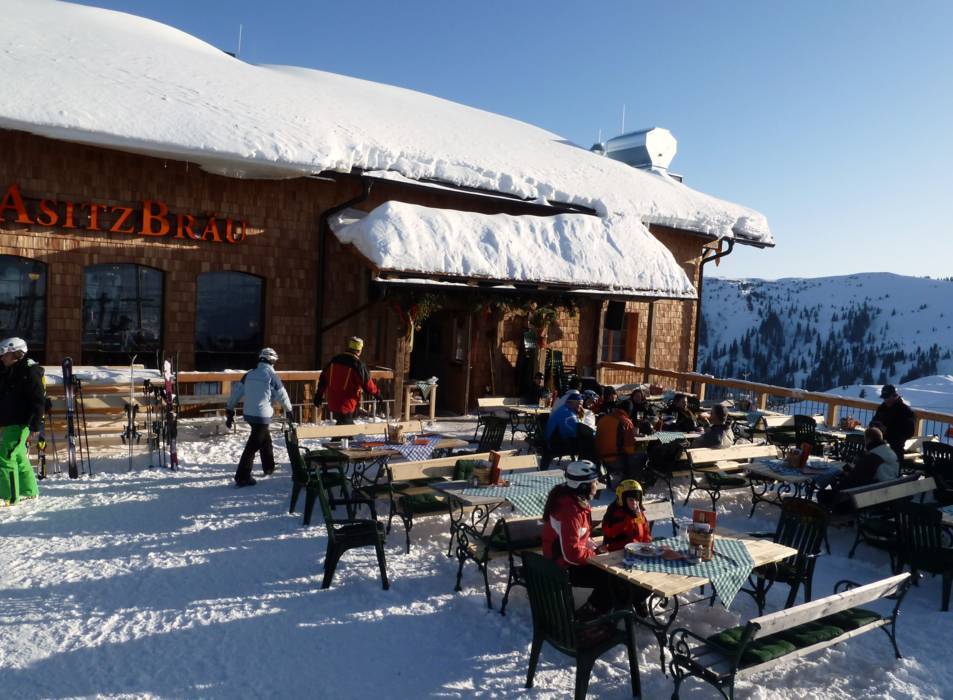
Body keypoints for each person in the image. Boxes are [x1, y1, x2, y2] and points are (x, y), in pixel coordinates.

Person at [541, 460, 612, 616]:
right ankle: (590, 613)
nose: (597, 485)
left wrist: (595, 549)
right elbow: (571, 553)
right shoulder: (570, 511)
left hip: (566, 560)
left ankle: (611, 607)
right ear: (583, 486)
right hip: (560, 567)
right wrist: (595, 555)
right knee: (610, 578)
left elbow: (581, 536)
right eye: (594, 482)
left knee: (612, 570)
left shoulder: (576, 502)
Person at [225, 347, 294, 487]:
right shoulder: (271, 376)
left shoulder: (249, 374)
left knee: (265, 439)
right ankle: (242, 476)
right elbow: (282, 395)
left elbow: (236, 392)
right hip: (261, 416)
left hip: (249, 415)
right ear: (271, 360)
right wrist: (289, 410)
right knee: (253, 446)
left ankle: (269, 466)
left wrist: (229, 409)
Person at [0, 337, 44, 505]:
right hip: (9, 421)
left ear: (17, 354)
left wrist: (35, 425)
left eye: (4, 353)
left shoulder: (29, 372)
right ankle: (29, 491)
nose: (2, 357)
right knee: (18, 456)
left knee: (5, 456)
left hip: (20, 422)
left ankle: (8, 496)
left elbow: (38, 400)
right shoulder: (9, 370)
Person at [816, 427, 899, 509]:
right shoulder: (890, 453)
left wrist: (847, 473)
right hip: (886, 495)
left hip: (865, 499)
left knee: (822, 494)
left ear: (868, 440)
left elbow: (855, 479)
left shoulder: (871, 457)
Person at [313, 336, 382, 425]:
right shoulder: (357, 365)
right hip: (347, 404)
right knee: (346, 428)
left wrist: (319, 395)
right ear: (360, 350)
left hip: (333, 402)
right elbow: (367, 383)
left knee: (343, 426)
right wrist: (377, 394)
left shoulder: (334, 360)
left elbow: (323, 379)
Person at [595, 402, 646, 485]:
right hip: (616, 459)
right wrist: (637, 444)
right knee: (643, 456)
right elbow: (629, 450)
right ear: (629, 411)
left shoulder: (603, 419)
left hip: (601, 460)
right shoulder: (625, 422)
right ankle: (631, 482)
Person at [601, 480, 652, 551]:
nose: (634, 503)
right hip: (618, 550)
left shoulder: (638, 512)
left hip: (637, 548)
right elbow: (609, 532)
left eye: (637, 499)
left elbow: (645, 530)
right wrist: (627, 520)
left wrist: (647, 544)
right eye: (631, 500)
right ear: (622, 499)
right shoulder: (615, 512)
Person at [545, 390, 596, 461]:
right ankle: (584, 464)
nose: (581, 407)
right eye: (579, 404)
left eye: (581, 404)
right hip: (555, 444)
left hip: (553, 440)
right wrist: (593, 433)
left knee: (584, 441)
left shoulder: (564, 409)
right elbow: (575, 431)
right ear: (571, 402)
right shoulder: (569, 415)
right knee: (588, 443)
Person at [871, 384, 916, 463]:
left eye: (887, 397)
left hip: (895, 449)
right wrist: (875, 426)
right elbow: (873, 421)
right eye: (884, 397)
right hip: (880, 447)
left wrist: (887, 431)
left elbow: (909, 432)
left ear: (895, 396)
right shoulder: (882, 408)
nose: (886, 400)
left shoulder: (905, 411)